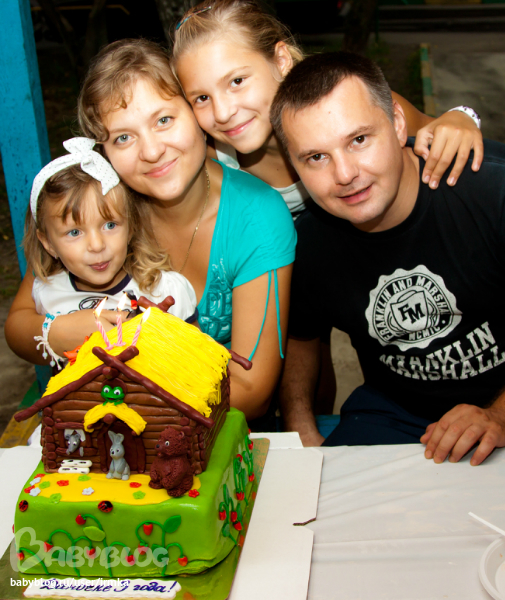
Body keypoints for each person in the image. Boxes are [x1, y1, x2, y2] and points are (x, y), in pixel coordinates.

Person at [270, 51, 505, 463]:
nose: (344, 175)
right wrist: (301, 429)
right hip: (396, 415)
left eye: (359, 140)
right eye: (316, 157)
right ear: (294, 166)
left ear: (399, 124)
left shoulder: (503, 189)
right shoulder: (309, 238)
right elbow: (301, 337)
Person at [5, 39, 295, 423]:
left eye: (164, 120)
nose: (152, 151)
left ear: (195, 113)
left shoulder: (255, 217)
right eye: (123, 138)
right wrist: (60, 332)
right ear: (103, 152)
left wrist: (128, 401)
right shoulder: (102, 210)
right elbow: (19, 325)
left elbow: (251, 392)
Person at [171, 0, 485, 220]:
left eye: (237, 81)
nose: (222, 112)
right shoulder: (210, 160)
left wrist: (462, 117)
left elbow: (436, 130)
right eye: (201, 98)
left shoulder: (348, 104)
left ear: (281, 60)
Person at [23, 136, 197, 369]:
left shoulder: (166, 290)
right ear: (48, 243)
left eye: (110, 225)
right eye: (74, 232)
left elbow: (200, 364)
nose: (97, 245)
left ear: (131, 226)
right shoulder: (47, 294)